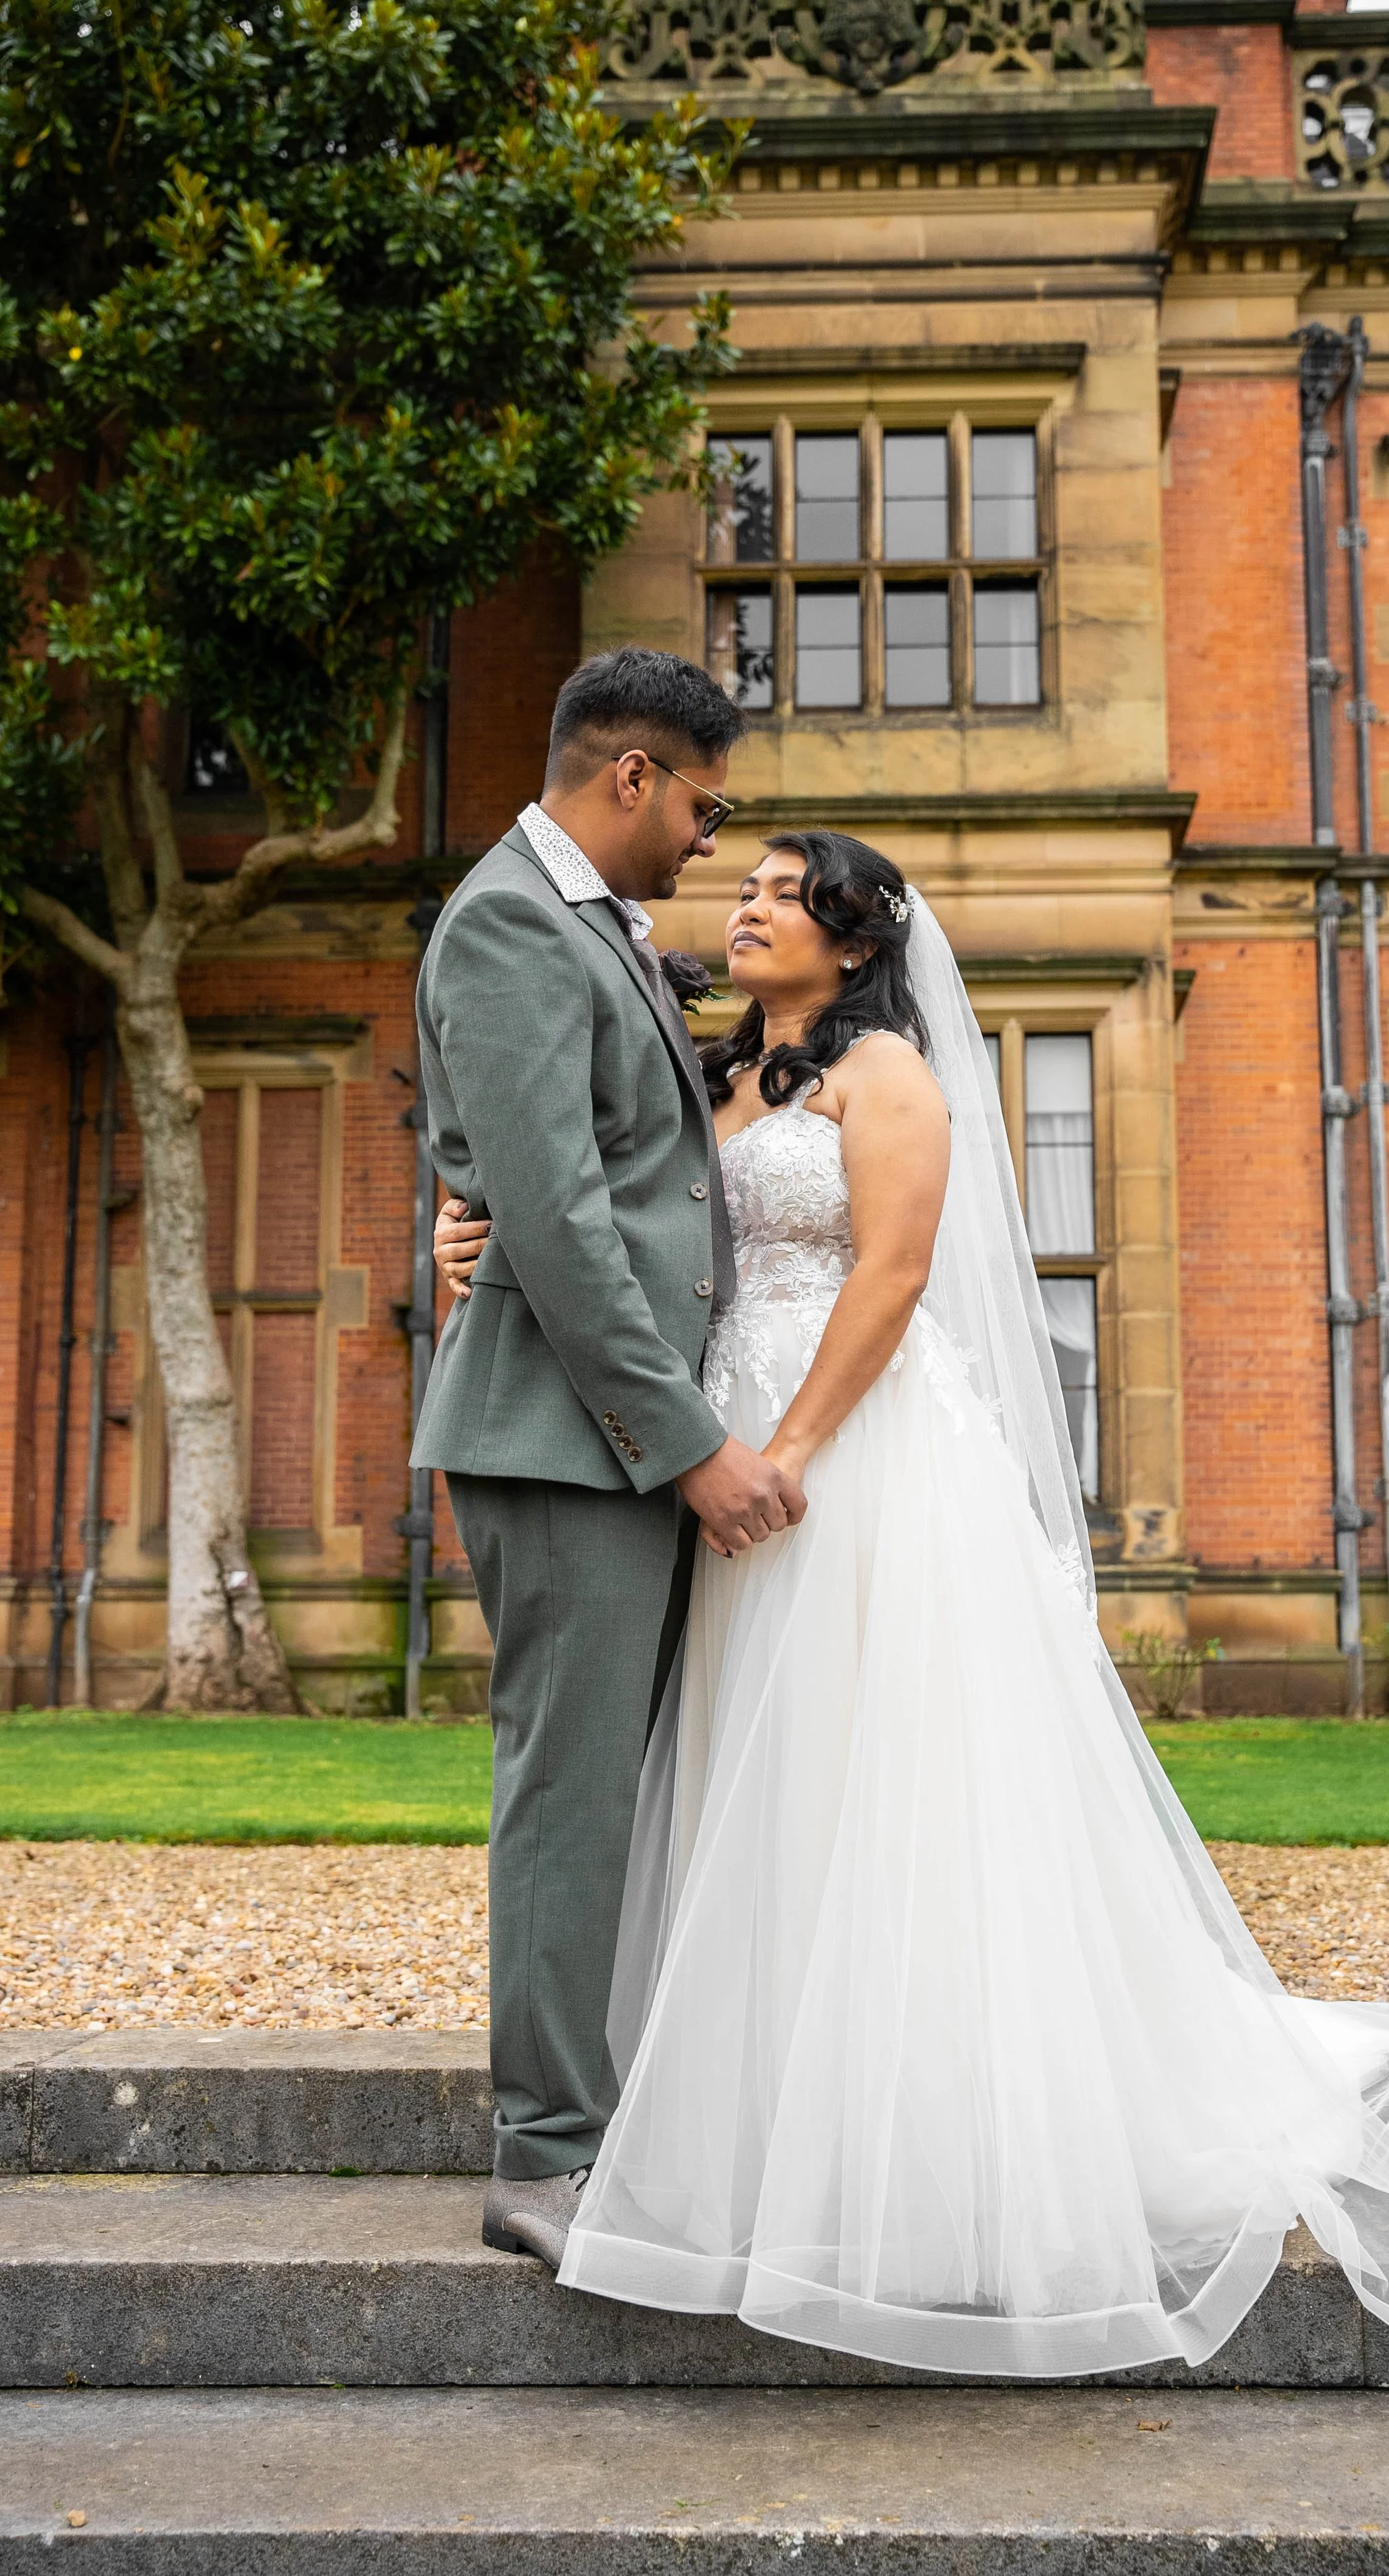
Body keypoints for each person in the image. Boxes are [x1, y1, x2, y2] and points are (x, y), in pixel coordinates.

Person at [433, 827, 1389, 2378]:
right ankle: (751, 2107)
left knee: (888, 1775)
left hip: (849, 1460)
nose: (738, 905)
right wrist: (463, 1228)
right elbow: (595, 1204)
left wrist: (790, 1454)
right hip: (707, 1454)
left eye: (771, 890)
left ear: (849, 930)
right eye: (735, 883)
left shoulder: (891, 1077)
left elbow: (887, 1275)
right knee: (758, 1778)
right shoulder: (711, 1078)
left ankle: (921, 2131)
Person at [412, 647, 804, 2270]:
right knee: (570, 1794)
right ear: (629, 775)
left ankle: (614, 2114)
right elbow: (561, 1223)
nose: (711, 841)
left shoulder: (588, 925)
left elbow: (560, 1175)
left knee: (628, 1790)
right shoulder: (511, 918)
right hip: (571, 1442)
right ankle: (543, 2153)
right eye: (705, 805)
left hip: (600, 1431)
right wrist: (691, 1446)